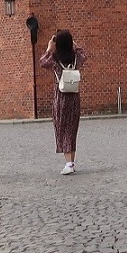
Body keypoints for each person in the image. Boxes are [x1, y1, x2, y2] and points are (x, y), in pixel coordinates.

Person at [40, 30, 84, 175]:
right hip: (74, 97)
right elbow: (84, 55)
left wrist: (49, 48)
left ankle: (68, 164)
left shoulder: (54, 58)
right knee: (72, 130)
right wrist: (75, 46)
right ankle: (71, 162)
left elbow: (42, 62)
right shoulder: (76, 57)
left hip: (60, 97)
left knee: (63, 129)